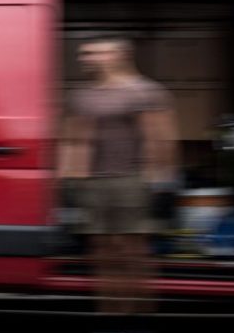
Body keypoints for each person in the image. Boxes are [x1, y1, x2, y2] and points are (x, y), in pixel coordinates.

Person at [58, 35, 178, 315]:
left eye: (95, 53)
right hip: (95, 182)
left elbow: (160, 137)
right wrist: (70, 177)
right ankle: (111, 310)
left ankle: (137, 309)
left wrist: (161, 179)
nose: (86, 58)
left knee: (131, 249)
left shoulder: (143, 91)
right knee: (102, 249)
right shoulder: (83, 95)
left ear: (118, 55)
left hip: (131, 179)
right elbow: (75, 139)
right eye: (85, 54)